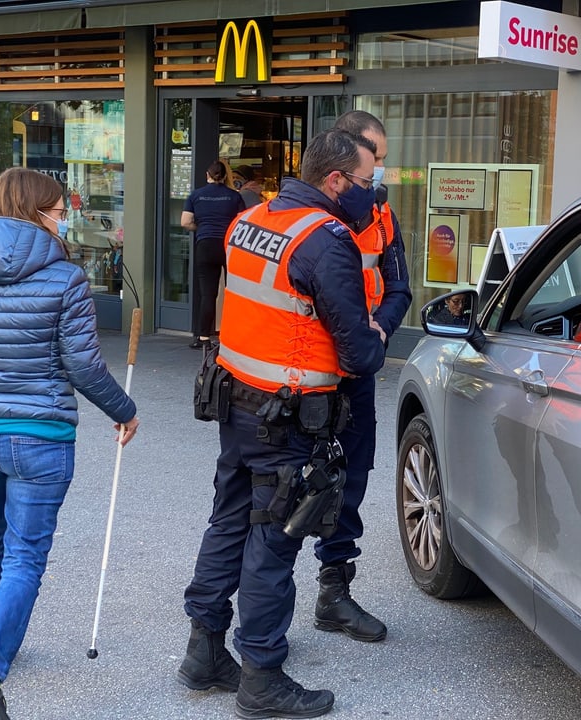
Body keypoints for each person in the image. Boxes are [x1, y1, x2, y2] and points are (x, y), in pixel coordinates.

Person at [178, 128, 387, 719]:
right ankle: (261, 675)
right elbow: (356, 352)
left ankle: (205, 650)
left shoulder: (255, 219)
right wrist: (375, 335)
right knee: (274, 538)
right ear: (337, 180)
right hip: (288, 415)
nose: (373, 195)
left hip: (237, 399)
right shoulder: (325, 239)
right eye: (367, 182)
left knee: (228, 520)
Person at [0, 167, 140, 720]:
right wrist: (125, 410)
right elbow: (83, 366)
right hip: (40, 437)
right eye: (58, 208)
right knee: (24, 554)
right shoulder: (65, 278)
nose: (64, 217)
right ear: (37, 212)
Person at [309, 109, 411, 643]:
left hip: (360, 369)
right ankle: (253, 608)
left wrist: (379, 333)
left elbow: (400, 290)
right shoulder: (305, 221)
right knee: (280, 486)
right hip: (302, 374)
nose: (381, 179)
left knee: (353, 477)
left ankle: (334, 590)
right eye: (375, 164)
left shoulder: (383, 219)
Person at [182, 160, 247, 349]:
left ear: (207, 175)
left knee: (208, 294)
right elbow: (243, 221)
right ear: (225, 176)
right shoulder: (234, 196)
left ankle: (203, 338)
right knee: (233, 292)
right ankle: (232, 337)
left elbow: (185, 222)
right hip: (228, 246)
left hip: (205, 245)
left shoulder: (196, 195)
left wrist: (201, 228)